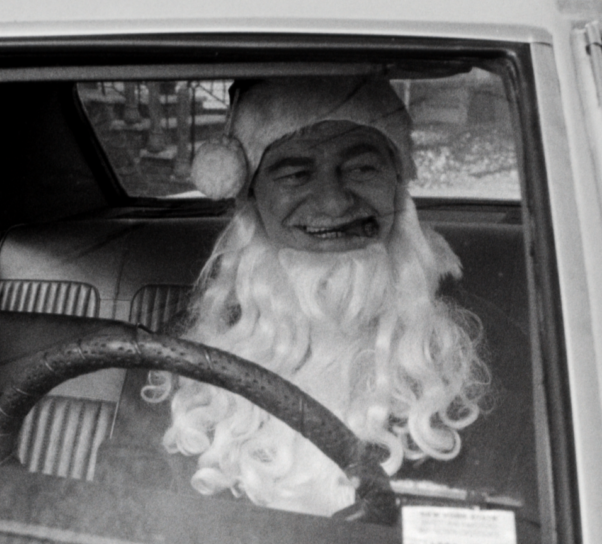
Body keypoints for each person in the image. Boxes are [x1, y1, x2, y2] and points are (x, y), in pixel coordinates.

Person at [144, 76, 489, 516]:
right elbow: (127, 503)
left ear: (397, 183)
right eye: (295, 174)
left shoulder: (474, 361)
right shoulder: (187, 354)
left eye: (362, 169)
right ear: (252, 197)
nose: (332, 203)